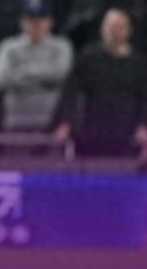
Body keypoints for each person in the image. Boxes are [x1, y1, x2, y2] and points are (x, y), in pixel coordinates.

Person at [53, 10, 147, 158]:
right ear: (102, 29)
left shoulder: (140, 63)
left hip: (127, 133)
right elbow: (71, 92)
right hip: (91, 131)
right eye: (110, 27)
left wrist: (144, 125)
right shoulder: (87, 57)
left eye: (119, 27)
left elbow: (144, 98)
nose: (114, 32)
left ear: (128, 30)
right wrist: (66, 122)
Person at [0, 0, 73, 131]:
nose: (36, 24)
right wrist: (45, 78)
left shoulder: (62, 46)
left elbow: (61, 75)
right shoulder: (8, 47)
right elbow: (3, 78)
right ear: (22, 22)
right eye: (31, 20)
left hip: (51, 120)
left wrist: (23, 71)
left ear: (50, 22)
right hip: (15, 119)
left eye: (41, 19)